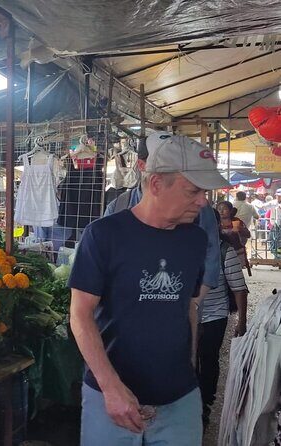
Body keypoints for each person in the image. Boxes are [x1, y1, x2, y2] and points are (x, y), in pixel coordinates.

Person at [69, 132, 230, 445]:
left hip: (179, 399)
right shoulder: (103, 235)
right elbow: (80, 314)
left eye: (205, 192)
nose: (203, 201)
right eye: (193, 190)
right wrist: (111, 387)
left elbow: (188, 306)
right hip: (110, 398)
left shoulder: (195, 239)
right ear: (156, 184)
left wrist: (190, 369)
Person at [104, 135, 221, 302]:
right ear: (142, 165)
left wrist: (192, 304)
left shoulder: (199, 209)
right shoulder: (116, 209)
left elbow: (211, 257)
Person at [198, 209, 248, 428]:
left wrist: (241, 321)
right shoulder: (183, 248)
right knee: (188, 360)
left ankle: (205, 403)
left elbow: (239, 288)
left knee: (208, 359)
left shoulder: (224, 251)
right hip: (187, 318)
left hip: (214, 316)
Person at [217, 200, 251, 271]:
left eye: (224, 209)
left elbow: (248, 234)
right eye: (219, 209)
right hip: (220, 253)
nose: (221, 211)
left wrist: (240, 229)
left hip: (236, 252)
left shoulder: (236, 221)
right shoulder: (215, 222)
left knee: (235, 272)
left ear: (230, 211)